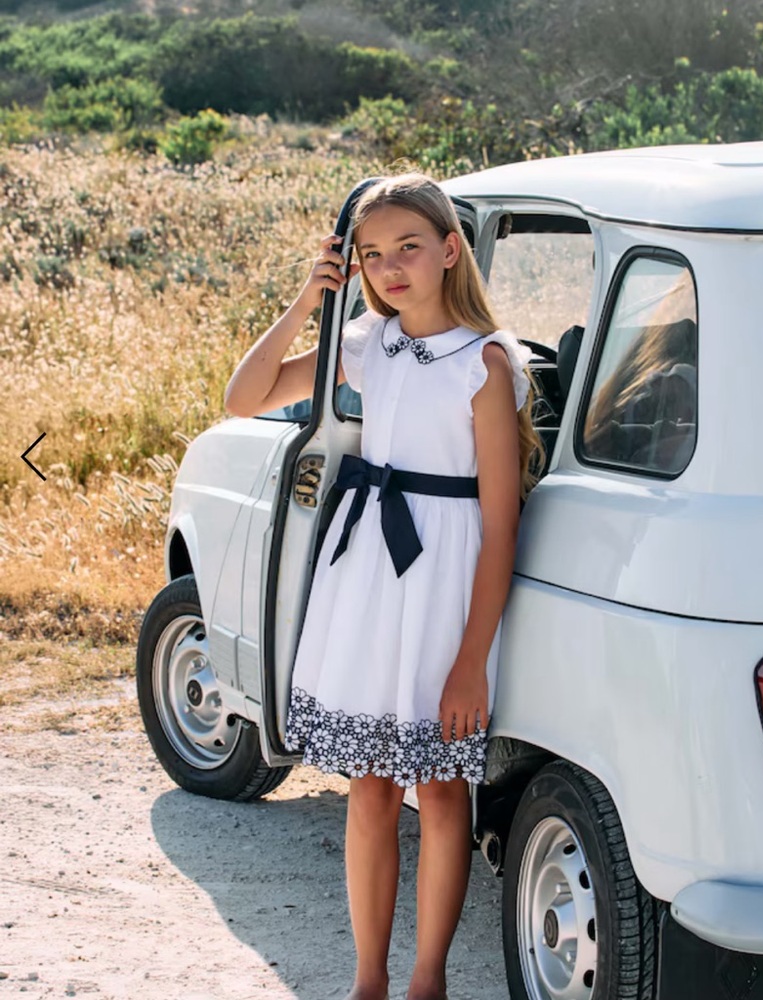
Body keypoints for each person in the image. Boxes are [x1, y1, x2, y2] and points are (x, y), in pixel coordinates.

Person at [224, 173, 543, 1000]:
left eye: (408, 247)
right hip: (366, 569)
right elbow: (244, 395)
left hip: (443, 575)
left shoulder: (488, 362)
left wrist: (472, 660)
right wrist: (310, 300)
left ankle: (425, 980)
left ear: (449, 249)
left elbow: (500, 526)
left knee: (439, 787)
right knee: (369, 785)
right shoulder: (370, 339)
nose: (391, 267)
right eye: (372, 255)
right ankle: (369, 981)